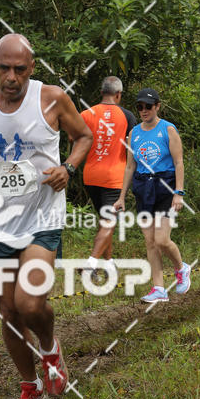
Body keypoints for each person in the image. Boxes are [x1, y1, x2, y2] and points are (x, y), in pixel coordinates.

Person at [0, 34, 93, 399]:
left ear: (31, 68)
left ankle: (50, 352)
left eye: (19, 69)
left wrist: (69, 168)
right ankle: (29, 387)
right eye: (4, 68)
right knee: (9, 310)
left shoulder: (51, 98)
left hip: (42, 215)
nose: (11, 77)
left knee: (30, 304)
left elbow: (83, 136)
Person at [113, 88, 190, 303]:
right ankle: (159, 288)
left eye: (148, 106)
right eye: (140, 107)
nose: (144, 110)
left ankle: (181, 268)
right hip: (143, 186)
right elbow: (129, 167)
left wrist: (179, 193)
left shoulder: (168, 130)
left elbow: (178, 162)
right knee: (150, 241)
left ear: (157, 106)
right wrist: (121, 197)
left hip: (165, 185)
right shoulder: (134, 133)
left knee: (162, 239)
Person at [79, 76, 137, 277]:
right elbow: (132, 147)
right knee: (109, 222)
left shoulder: (86, 114)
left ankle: (109, 263)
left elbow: (73, 138)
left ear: (101, 92)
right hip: (114, 177)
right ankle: (91, 264)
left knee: (105, 221)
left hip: (91, 175)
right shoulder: (127, 116)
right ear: (118, 94)